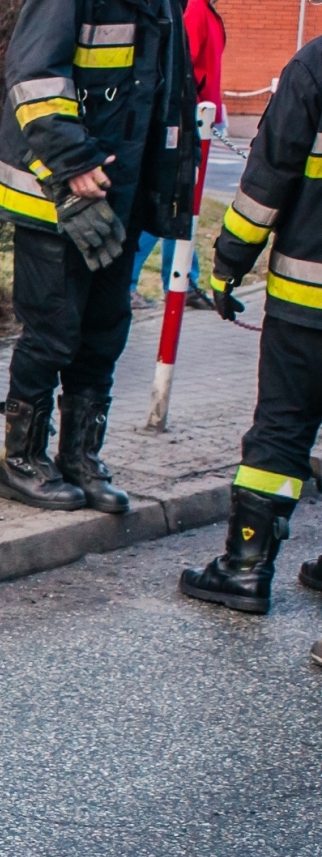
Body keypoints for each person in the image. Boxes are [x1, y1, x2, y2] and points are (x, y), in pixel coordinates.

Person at [0, 0, 198, 514]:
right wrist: (73, 163)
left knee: (105, 330)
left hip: (119, 191)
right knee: (53, 330)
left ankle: (80, 457)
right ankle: (21, 462)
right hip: (57, 192)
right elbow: (33, 75)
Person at [180, 35, 322, 623]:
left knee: (283, 428)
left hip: (307, 300)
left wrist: (229, 262)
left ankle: (244, 569)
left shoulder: (316, 65)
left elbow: (268, 178)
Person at [130, 0, 226, 311]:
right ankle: (132, 280)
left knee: (183, 205)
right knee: (171, 203)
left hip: (201, 115)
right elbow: (181, 62)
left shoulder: (206, 11)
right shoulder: (197, 10)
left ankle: (183, 279)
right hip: (192, 116)